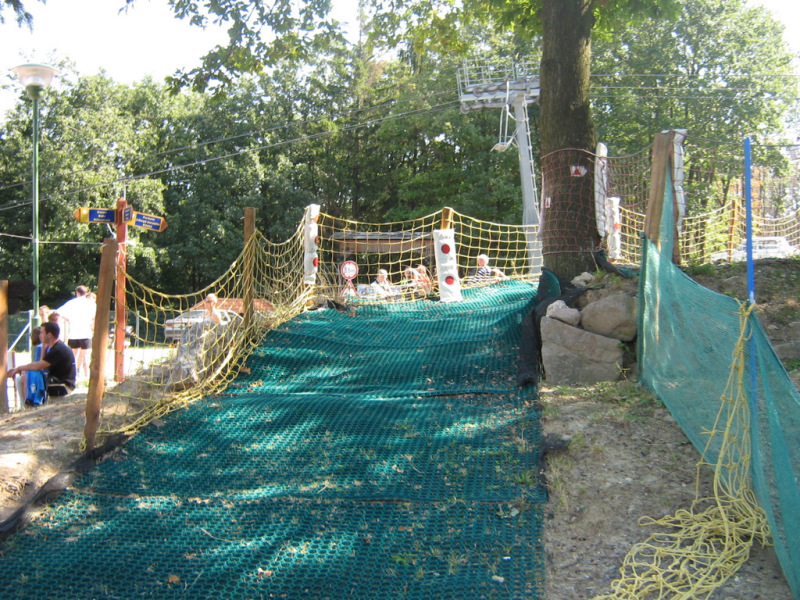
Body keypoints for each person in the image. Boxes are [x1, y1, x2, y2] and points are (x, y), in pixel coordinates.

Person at [7, 321, 76, 406]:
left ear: (49, 335)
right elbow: (42, 365)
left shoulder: (58, 350)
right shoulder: (57, 347)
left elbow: (37, 366)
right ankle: (28, 403)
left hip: (62, 386)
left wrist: (19, 368)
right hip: (58, 383)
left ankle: (30, 404)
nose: (40, 335)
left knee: (30, 375)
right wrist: (43, 348)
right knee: (28, 375)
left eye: (42, 332)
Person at [57, 285, 96, 381]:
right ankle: (86, 376)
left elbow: (58, 312)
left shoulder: (71, 303)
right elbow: (95, 316)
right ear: (86, 293)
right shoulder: (91, 304)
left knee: (73, 356)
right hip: (86, 333)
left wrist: (68, 319)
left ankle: (73, 374)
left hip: (74, 333)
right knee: (85, 356)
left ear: (77, 293)